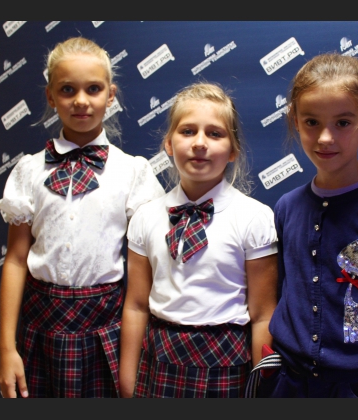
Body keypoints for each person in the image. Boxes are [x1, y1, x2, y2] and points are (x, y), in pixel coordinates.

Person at [0, 37, 165, 398]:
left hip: (107, 327)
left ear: (111, 95)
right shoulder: (28, 171)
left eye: (93, 89)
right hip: (39, 328)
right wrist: (7, 348)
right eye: (67, 89)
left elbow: (147, 269)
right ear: (50, 96)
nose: (81, 101)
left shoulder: (132, 172)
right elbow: (15, 260)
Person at [255, 53, 358, 398]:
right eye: (312, 122)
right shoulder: (287, 207)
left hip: (351, 388)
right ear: (294, 121)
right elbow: (280, 296)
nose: (325, 138)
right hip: (286, 383)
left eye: (343, 122)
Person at [119, 82, 278, 398]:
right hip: (160, 359)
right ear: (168, 143)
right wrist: (127, 379)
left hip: (227, 362)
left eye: (215, 134)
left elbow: (263, 314)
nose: (200, 143)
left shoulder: (255, 218)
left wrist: (261, 387)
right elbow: (136, 306)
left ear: (233, 150)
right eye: (188, 131)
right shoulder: (145, 217)